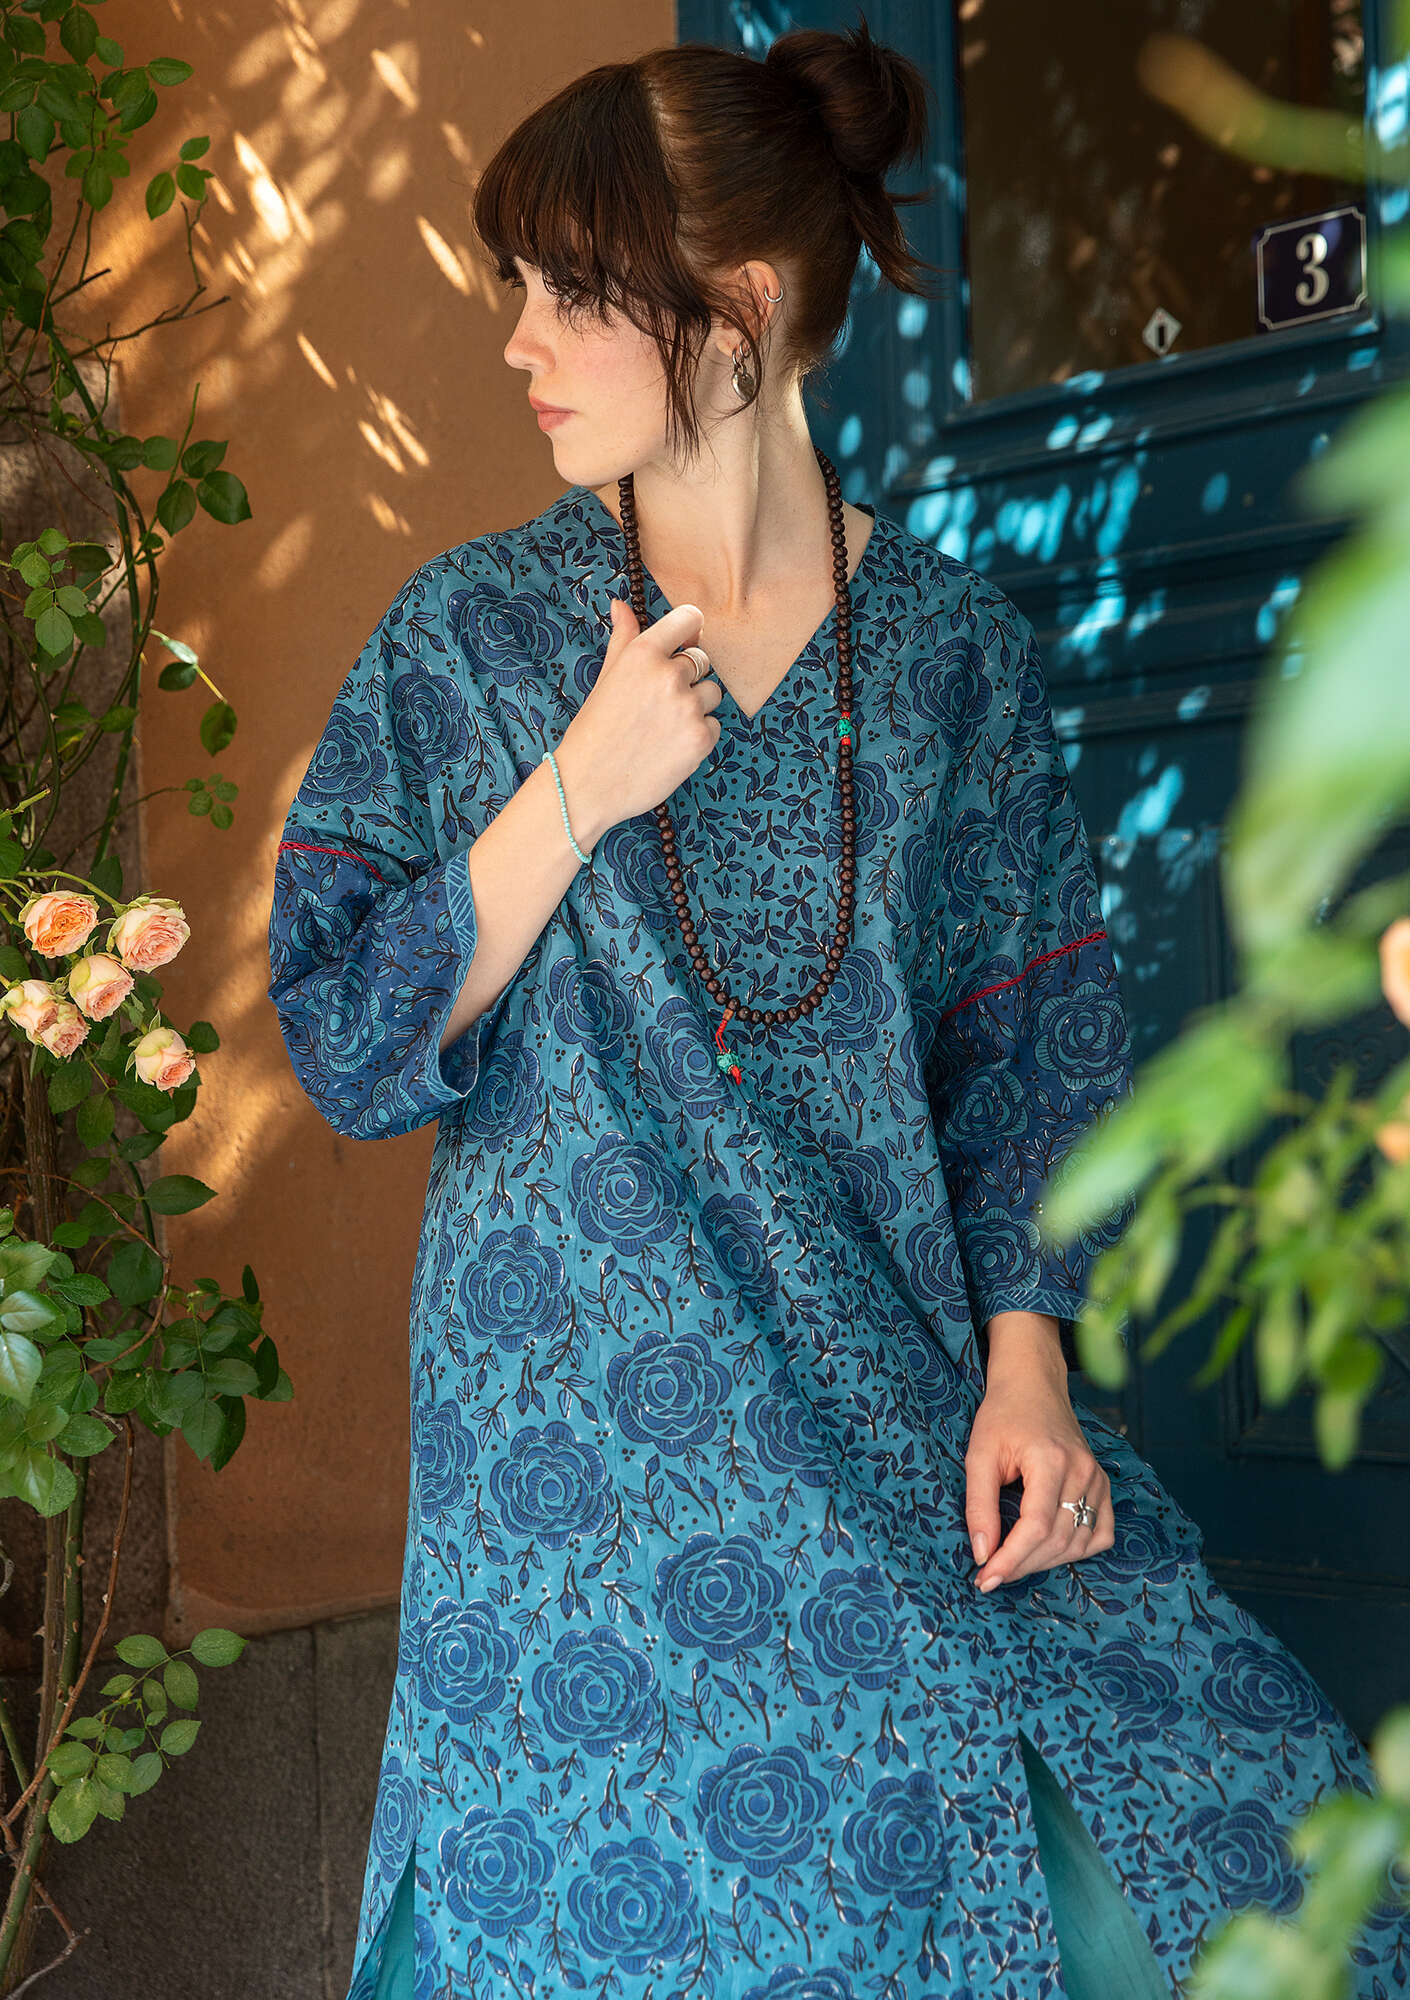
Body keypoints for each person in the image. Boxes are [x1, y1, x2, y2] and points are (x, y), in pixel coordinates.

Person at [266, 18, 1408, 2000]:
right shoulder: (465, 641)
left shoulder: (952, 647)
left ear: (735, 307)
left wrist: (1030, 1368)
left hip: (891, 1392)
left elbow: (1029, 1046)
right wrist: (572, 792)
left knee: (1240, 1839)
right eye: (515, 288)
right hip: (578, 1465)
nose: (519, 342)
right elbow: (344, 1039)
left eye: (567, 295)